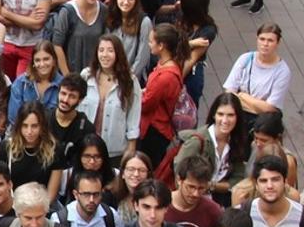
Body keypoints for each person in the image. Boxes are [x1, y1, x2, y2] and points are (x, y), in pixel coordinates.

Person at [174, 92, 249, 207]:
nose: (225, 120)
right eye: (220, 114)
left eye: (230, 115)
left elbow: (238, 178)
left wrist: (212, 186)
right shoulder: (197, 141)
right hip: (193, 201)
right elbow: (179, 175)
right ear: (214, 115)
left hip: (220, 201)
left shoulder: (237, 141)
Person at [79, 34, 141, 164]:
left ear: (118, 53)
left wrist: (131, 149)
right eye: (101, 50)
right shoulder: (86, 76)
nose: (105, 55)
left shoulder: (130, 81)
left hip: (115, 151)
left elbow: (133, 118)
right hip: (86, 148)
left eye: (110, 50)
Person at [221, 23, 290, 122]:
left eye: (270, 40)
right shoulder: (245, 59)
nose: (265, 44)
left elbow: (269, 108)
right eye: (262, 39)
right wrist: (258, 105)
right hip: (237, 114)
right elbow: (229, 93)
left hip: (261, 121)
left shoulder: (282, 71)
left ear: (278, 43)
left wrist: (242, 95)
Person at [44, 73, 96, 202]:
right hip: (42, 181)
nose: (65, 100)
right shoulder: (43, 119)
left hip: (70, 186)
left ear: (80, 100)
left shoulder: (86, 128)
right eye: (63, 93)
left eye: (72, 96)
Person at [138, 23, 184, 166]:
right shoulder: (169, 66)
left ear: (161, 46)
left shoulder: (164, 77)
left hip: (154, 130)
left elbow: (146, 104)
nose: (149, 44)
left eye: (151, 41)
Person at [52, 0, 105, 75]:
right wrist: (67, 76)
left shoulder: (103, 10)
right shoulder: (67, 11)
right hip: (72, 72)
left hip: (96, 73)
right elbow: (57, 45)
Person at [165, 155, 222, 227]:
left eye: (201, 188)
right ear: (179, 180)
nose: (196, 194)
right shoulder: (160, 206)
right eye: (191, 187)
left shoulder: (213, 211)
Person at [0, 101, 56, 190]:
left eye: (34, 126)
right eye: (25, 126)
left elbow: (52, 191)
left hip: (42, 202)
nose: (29, 132)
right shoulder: (7, 147)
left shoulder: (53, 149)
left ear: (42, 126)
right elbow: (0, 181)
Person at [6, 41, 62, 124]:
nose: (42, 64)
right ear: (33, 63)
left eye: (46, 59)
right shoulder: (21, 83)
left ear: (54, 61)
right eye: (37, 60)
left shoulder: (63, 84)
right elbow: (14, 117)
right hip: (23, 131)